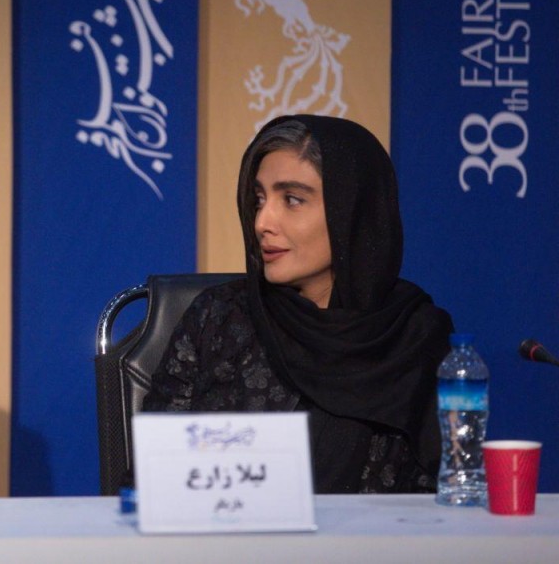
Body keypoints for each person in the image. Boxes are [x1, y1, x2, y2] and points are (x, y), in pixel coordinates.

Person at [142, 115, 453, 493]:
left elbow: (445, 496)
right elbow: (150, 478)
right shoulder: (217, 318)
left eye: (292, 200)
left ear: (351, 212)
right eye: (259, 199)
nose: (262, 221)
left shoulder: (417, 336)